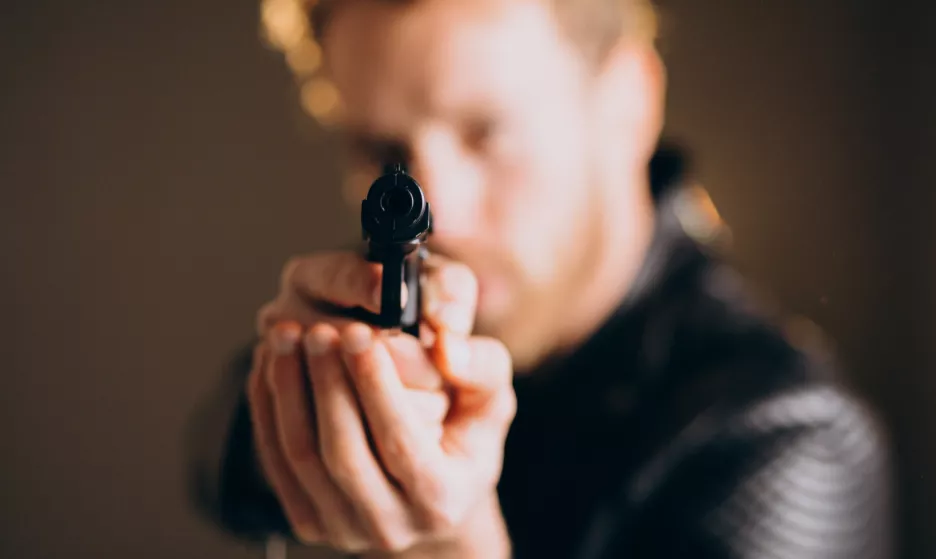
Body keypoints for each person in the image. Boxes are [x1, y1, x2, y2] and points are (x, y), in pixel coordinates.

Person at [186, 0, 893, 557]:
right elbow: (216, 454)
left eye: (489, 131)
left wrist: (445, 550)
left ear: (629, 101)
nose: (441, 214)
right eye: (384, 151)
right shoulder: (405, 285)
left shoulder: (782, 444)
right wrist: (293, 395)